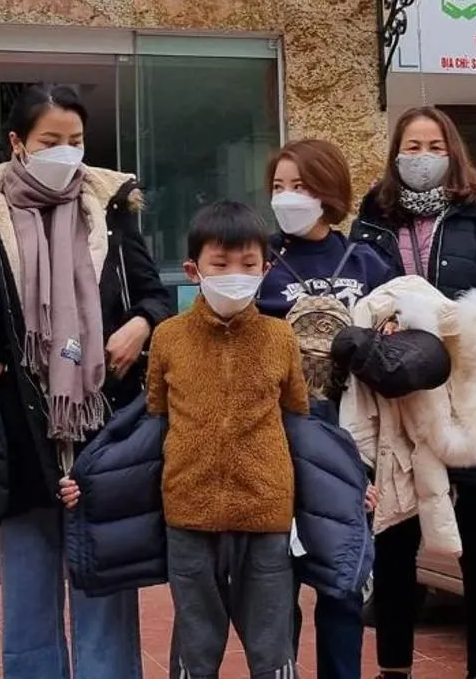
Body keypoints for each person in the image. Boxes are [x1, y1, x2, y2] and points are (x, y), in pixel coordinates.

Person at [0, 84, 175, 679]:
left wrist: (141, 326)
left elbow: (153, 293)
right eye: (51, 141)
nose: (66, 152)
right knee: (28, 590)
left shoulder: (110, 210)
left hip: (104, 424)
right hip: (20, 425)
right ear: (18, 143)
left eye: (76, 141)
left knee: (105, 584)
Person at [349, 106, 476, 679]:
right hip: (398, 394)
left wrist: (431, 319)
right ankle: (394, 669)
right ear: (395, 153)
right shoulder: (374, 216)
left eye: (432, 146)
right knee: (395, 538)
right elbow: (357, 292)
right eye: (411, 145)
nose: (421, 157)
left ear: (451, 152)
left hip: (472, 394)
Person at [147, 200, 308, 679]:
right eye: (221, 264)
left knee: (271, 640)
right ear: (194, 269)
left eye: (248, 264)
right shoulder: (167, 337)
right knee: (196, 641)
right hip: (188, 510)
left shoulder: (281, 337)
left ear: (266, 268)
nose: (235, 273)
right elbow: (155, 413)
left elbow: (297, 415)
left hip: (266, 510)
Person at [261, 139, 394, 679]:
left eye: (301, 185)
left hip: (348, 451)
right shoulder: (259, 259)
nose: (287, 197)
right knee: (275, 591)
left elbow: (401, 350)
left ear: (330, 192)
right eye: (278, 187)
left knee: (341, 587)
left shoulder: (369, 262)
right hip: (276, 444)